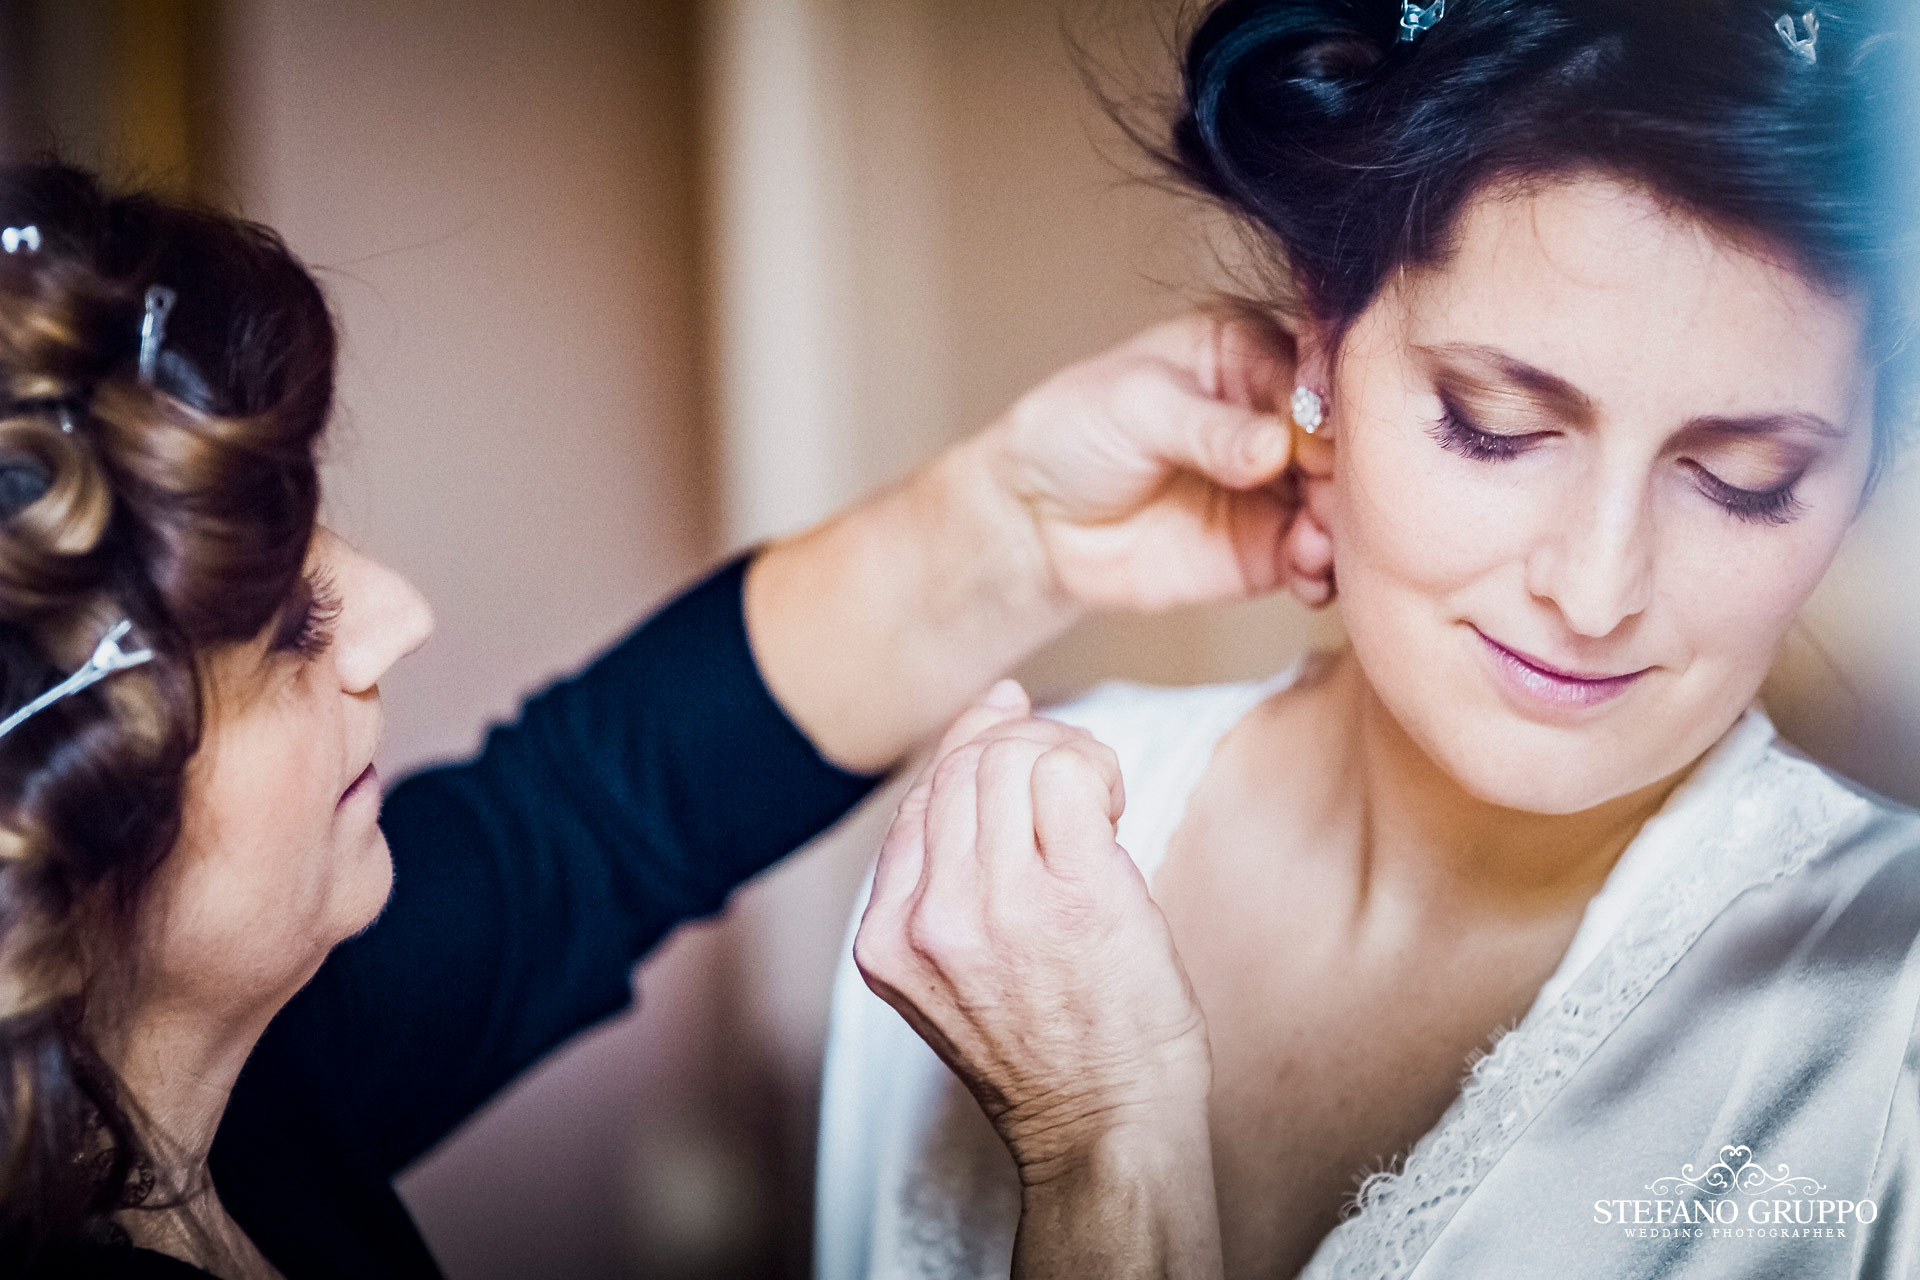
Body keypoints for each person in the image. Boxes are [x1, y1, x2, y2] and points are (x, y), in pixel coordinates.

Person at [0, 163, 1330, 1278]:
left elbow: (592, 814)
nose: (398, 614)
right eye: (286, 629)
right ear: (54, 839)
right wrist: (1108, 1144)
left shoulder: (206, 1090)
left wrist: (1023, 526)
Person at [824, 1, 1920, 1277]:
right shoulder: (1006, 879)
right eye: (1493, 422)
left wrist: (1102, 1153)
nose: (1598, 586)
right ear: (1321, 346)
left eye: (1744, 475)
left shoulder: (1886, 1023)